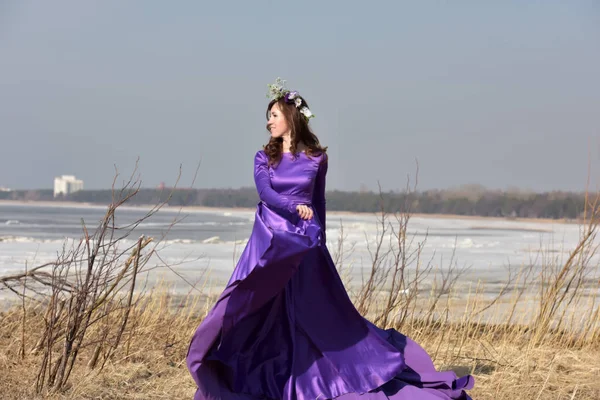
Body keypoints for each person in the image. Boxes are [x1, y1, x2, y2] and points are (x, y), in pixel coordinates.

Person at [186, 78, 474, 400]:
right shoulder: (263, 157)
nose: (269, 122)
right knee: (260, 307)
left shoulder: (317, 157)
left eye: (274, 115)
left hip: (306, 240)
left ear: (291, 117)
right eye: (267, 116)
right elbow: (266, 194)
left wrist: (320, 233)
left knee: (317, 309)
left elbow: (318, 200)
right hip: (271, 238)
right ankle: (246, 371)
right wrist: (294, 207)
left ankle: (332, 373)